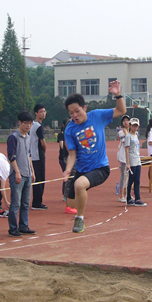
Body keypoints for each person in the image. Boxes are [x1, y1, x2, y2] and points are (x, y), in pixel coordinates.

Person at [63, 80, 126, 234]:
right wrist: (68, 169)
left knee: (79, 185)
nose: (74, 116)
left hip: (100, 168)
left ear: (85, 108)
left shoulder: (97, 115)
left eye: (77, 111)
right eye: (71, 113)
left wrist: (117, 95)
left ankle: (80, 219)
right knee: (70, 201)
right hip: (81, 170)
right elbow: (72, 154)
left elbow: (121, 110)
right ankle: (79, 200)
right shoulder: (70, 129)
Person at [7, 111, 36, 237]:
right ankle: (13, 228)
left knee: (25, 202)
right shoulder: (13, 137)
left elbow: (29, 155)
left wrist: (32, 171)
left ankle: (24, 225)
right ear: (19, 122)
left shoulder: (28, 138)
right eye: (25, 123)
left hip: (27, 173)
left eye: (30, 123)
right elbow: (12, 157)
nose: (28, 126)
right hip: (17, 174)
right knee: (16, 203)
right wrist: (17, 172)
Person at [125, 118, 146, 206]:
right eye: (133, 125)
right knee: (131, 180)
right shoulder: (128, 136)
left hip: (137, 159)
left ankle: (137, 198)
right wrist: (128, 163)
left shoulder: (136, 136)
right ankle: (129, 197)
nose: (135, 127)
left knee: (137, 180)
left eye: (136, 126)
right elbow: (126, 150)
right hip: (132, 159)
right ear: (130, 126)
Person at [30, 104, 48, 210]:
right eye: (41, 111)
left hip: (33, 154)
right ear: (36, 113)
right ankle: (37, 202)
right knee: (40, 179)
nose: (43, 113)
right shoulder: (38, 126)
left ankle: (37, 201)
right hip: (38, 155)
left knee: (37, 178)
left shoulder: (32, 125)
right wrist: (44, 151)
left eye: (44, 111)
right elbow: (43, 142)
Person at [57, 119, 76, 213]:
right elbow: (67, 145)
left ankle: (72, 203)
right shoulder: (69, 129)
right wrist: (72, 156)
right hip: (68, 157)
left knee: (74, 179)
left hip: (72, 157)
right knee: (71, 179)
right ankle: (69, 205)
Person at [116, 115, 130, 203]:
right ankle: (121, 195)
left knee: (129, 176)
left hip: (130, 156)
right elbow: (126, 142)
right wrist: (125, 131)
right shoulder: (121, 132)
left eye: (127, 120)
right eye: (124, 121)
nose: (126, 122)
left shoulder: (133, 132)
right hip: (123, 156)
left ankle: (128, 194)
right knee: (123, 175)